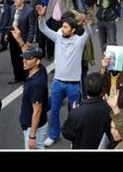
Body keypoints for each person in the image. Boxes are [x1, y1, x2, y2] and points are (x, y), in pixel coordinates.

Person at [36, 8, 92, 147]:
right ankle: (53, 135)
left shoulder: (79, 41)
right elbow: (43, 29)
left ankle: (74, 138)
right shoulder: (58, 37)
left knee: (74, 113)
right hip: (58, 83)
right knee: (54, 111)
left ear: (73, 30)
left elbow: (89, 33)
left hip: (74, 84)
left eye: (65, 27)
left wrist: (85, 22)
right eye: (62, 26)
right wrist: (41, 17)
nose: (62, 29)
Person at [61, 72, 111, 149]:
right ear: (102, 89)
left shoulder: (77, 113)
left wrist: (74, 112)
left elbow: (67, 133)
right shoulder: (109, 109)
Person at [18, 45, 48, 149]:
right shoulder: (40, 69)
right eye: (24, 58)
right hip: (32, 126)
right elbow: (25, 50)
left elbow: (37, 111)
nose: (24, 61)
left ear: (37, 61)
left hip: (34, 129)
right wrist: (19, 40)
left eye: (28, 59)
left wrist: (32, 137)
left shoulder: (37, 84)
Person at [99, 48, 123, 117]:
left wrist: (122, 113)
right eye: (106, 58)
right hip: (106, 113)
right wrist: (102, 70)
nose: (109, 60)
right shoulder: (104, 72)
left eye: (111, 58)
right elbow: (97, 89)